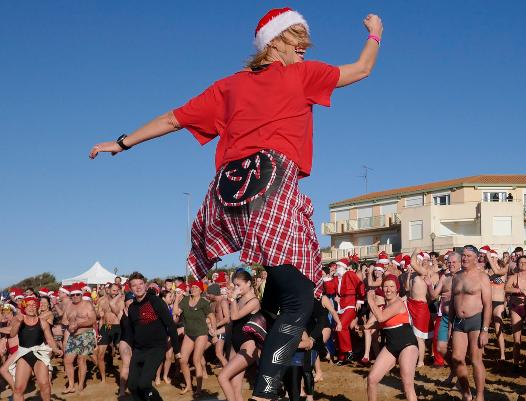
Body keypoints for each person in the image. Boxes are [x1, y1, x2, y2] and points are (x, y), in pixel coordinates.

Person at [89, 7, 383, 400]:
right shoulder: (300, 75)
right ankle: (264, 392)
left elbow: (173, 119)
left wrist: (122, 143)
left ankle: (261, 324)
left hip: (228, 193)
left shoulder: (228, 86)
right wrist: (375, 34)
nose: (304, 52)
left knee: (283, 283)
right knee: (300, 296)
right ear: (275, 42)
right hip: (269, 185)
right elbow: (362, 69)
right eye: (299, 44)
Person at [122, 272, 181, 401]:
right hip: (139, 350)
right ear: (130, 288)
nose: (138, 287)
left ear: (145, 285)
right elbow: (131, 331)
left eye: (140, 284)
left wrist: (177, 351)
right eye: (134, 285)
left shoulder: (155, 301)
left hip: (156, 348)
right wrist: (129, 348)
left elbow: (170, 325)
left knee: (144, 384)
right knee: (132, 385)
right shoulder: (131, 308)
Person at [365, 274, 418, 401]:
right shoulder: (383, 307)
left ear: (397, 289)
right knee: (372, 379)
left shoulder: (399, 302)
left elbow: (381, 317)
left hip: (407, 345)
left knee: (407, 384)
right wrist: (362, 327)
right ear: (382, 288)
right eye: (385, 286)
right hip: (391, 346)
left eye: (392, 286)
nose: (388, 289)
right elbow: (378, 323)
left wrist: (371, 301)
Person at [450, 245, 491, 401]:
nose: (465, 258)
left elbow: (488, 304)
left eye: (468, 256)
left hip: (476, 320)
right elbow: (454, 300)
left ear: (476, 258)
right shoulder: (456, 277)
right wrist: (451, 326)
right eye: (464, 256)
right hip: (459, 322)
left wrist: (485, 330)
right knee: (457, 358)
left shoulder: (482, 277)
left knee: (475, 360)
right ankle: (466, 393)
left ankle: (480, 396)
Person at [7, 295, 62, 401]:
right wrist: (18, 323)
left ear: (37, 307)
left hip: (39, 354)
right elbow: (12, 334)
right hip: (24, 354)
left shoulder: (42, 322)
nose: (31, 308)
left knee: (44, 384)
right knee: (18, 389)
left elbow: (49, 339)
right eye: (29, 305)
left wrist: (55, 349)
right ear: (24, 307)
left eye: (34, 305)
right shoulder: (19, 320)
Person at [218, 269, 262, 401]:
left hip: (248, 346)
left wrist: (232, 299)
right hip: (235, 344)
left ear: (248, 283)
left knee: (222, 377)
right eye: (235, 285)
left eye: (239, 285)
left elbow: (235, 316)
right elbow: (231, 321)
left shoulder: (254, 301)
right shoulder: (239, 300)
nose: (236, 288)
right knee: (235, 388)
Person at [174, 280, 216, 395]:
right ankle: (188, 386)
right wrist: (177, 298)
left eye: (196, 287)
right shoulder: (186, 300)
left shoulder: (203, 302)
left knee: (196, 360)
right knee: (182, 360)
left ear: (201, 290)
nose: (193, 289)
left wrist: (214, 330)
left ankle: (198, 389)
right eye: (192, 287)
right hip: (189, 334)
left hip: (201, 333)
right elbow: (176, 312)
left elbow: (212, 316)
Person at [62, 283, 97, 394]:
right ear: (70, 296)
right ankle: (71, 385)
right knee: (67, 361)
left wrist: (78, 324)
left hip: (85, 335)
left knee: (81, 360)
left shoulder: (87, 304)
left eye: (78, 294)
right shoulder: (68, 306)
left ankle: (81, 384)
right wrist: (68, 324)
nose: (76, 296)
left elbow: (92, 320)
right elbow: (64, 320)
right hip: (72, 336)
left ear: (81, 295)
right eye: (73, 295)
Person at [505, 255, 526, 366]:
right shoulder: (513, 277)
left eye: (525, 262)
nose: (523, 264)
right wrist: (521, 290)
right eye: (521, 262)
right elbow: (507, 288)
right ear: (517, 265)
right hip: (516, 308)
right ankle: (516, 364)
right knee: (516, 338)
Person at [335, 258, 365, 363]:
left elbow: (360, 285)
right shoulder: (338, 277)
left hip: (350, 303)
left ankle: (348, 351)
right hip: (341, 304)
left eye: (338, 266)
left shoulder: (349, 274)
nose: (337, 268)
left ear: (343, 267)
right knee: (340, 329)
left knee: (341, 327)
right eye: (337, 266)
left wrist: (360, 300)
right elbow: (331, 289)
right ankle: (342, 357)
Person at [482, 247, 508, 361]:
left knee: (498, 330)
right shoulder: (486, 271)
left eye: (492, 257)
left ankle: (502, 354)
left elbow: (497, 272)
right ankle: (481, 350)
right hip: (487, 302)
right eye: (489, 257)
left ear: (496, 257)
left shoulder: (502, 269)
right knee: (484, 327)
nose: (490, 259)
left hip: (498, 302)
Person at [96, 283, 123, 383]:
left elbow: (119, 314)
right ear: (109, 290)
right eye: (114, 290)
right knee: (100, 354)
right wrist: (99, 314)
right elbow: (98, 315)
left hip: (117, 327)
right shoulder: (102, 300)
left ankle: (123, 376)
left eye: (117, 291)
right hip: (106, 327)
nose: (115, 292)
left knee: (122, 353)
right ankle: (103, 378)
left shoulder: (120, 301)